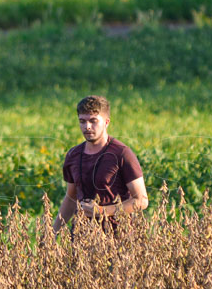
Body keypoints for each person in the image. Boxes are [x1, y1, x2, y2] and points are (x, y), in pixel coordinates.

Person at [53, 95, 148, 234]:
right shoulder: (73, 155)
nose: (87, 127)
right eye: (82, 121)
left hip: (118, 239)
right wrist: (52, 232)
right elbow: (71, 197)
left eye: (93, 121)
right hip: (81, 239)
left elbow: (141, 201)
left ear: (106, 122)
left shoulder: (122, 154)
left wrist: (102, 211)